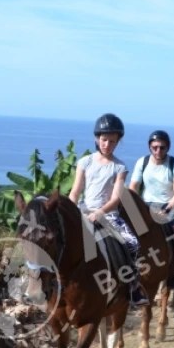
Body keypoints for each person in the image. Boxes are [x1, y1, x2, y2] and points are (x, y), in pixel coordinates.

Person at [68, 113, 149, 306]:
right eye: (104, 140)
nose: (107, 144)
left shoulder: (119, 167)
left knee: (133, 244)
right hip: (83, 211)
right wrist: (72, 209)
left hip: (108, 214)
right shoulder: (85, 162)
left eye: (112, 141)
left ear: (118, 142)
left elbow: (115, 198)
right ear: (97, 138)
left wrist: (99, 213)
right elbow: (75, 191)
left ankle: (132, 287)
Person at [129, 130, 174, 290]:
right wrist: (133, 207)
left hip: (171, 206)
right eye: (154, 147)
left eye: (162, 147)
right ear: (150, 147)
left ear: (167, 147)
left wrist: (166, 210)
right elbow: (133, 187)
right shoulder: (142, 162)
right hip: (146, 205)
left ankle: (173, 274)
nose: (158, 151)